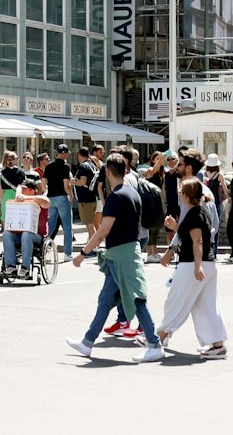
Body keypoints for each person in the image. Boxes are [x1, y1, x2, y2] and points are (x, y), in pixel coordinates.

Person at [66, 154, 165, 362]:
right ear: (125, 170)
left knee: (137, 299)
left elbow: (103, 230)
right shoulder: (133, 193)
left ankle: (154, 343)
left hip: (123, 255)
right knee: (105, 300)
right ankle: (87, 342)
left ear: (108, 172)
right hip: (124, 252)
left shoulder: (116, 197)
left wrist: (82, 254)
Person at [156, 176, 227, 358]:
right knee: (206, 306)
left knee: (176, 299)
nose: (179, 195)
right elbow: (192, 234)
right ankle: (217, 344)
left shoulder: (195, 214)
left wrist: (197, 267)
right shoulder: (200, 211)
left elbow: (197, 241)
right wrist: (177, 226)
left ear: (188, 195)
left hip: (193, 264)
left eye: (181, 192)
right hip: (207, 263)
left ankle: (159, 337)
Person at [1, 174, 51, 279]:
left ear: (32, 191)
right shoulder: (19, 200)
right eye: (21, 190)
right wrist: (21, 195)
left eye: (25, 189)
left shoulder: (40, 200)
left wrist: (27, 197)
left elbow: (47, 202)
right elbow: (18, 189)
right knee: (7, 234)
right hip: (19, 234)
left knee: (26, 234)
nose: (22, 192)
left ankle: (25, 268)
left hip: (37, 236)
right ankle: (11, 267)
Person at [40, 143, 75, 261]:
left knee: (51, 226)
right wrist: (71, 195)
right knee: (67, 226)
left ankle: (46, 252)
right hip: (62, 197)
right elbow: (66, 185)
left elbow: (43, 184)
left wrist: (48, 191)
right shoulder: (65, 166)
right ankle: (67, 254)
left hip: (51, 198)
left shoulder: (49, 166)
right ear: (64, 154)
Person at [74, 148, 100, 238]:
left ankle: (93, 248)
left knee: (90, 227)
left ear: (79, 155)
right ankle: (94, 246)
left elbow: (83, 182)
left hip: (85, 200)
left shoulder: (83, 166)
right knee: (92, 225)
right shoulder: (92, 165)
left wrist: (73, 182)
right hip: (93, 198)